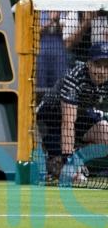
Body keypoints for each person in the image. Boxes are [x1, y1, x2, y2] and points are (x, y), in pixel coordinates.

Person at [37, 42, 108, 186]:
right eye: (97, 65)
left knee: (105, 132)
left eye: (106, 67)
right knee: (68, 175)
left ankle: (77, 157)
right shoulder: (74, 77)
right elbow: (68, 122)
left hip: (82, 114)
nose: (102, 71)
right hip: (51, 117)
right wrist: (67, 160)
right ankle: (58, 160)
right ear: (88, 64)